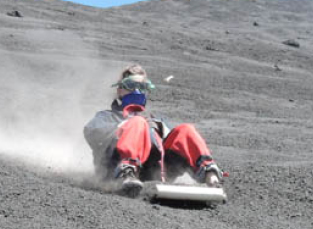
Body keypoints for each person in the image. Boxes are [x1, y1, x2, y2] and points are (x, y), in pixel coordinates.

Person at [84, 63, 224, 196]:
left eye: (142, 87)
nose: (137, 91)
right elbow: (91, 131)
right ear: (120, 90)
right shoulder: (108, 116)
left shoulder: (155, 122)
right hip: (113, 168)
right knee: (137, 122)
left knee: (186, 130)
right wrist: (122, 128)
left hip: (153, 170)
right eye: (131, 86)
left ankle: (210, 175)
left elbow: (180, 144)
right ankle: (127, 174)